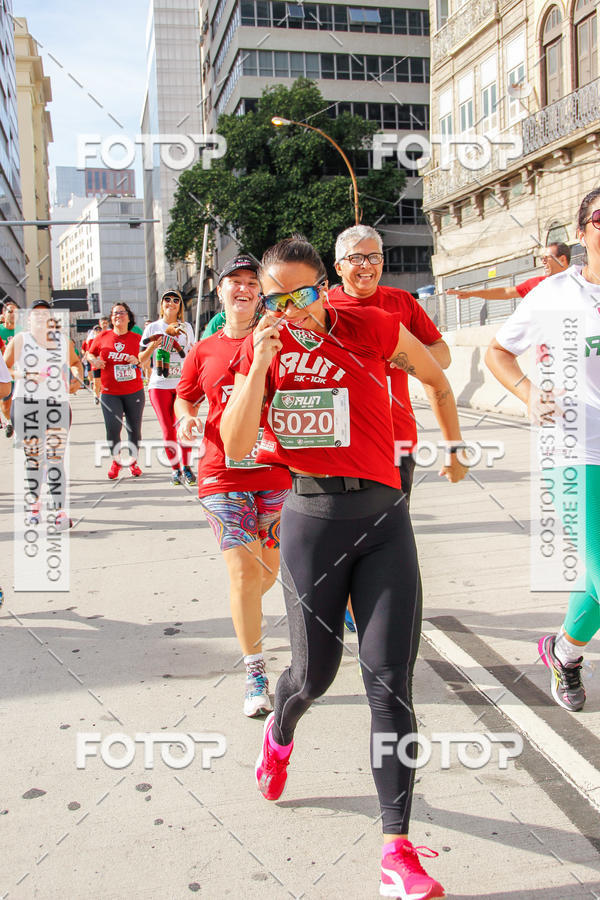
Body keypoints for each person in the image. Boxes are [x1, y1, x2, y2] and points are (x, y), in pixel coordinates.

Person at [221, 236, 467, 899]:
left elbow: (436, 374)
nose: (290, 310)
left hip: (387, 521)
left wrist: (454, 444)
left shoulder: (371, 326)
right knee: (313, 677)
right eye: (275, 299)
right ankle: (280, 727)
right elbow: (237, 443)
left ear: (322, 288)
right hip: (312, 524)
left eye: (302, 296)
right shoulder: (263, 348)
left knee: (391, 683)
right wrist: (258, 364)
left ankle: (397, 849)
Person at [485, 190, 600, 713]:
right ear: (581, 232)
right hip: (577, 452)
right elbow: (498, 351)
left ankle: (564, 652)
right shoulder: (554, 293)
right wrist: (530, 393)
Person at [175, 256, 291, 717]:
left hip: (274, 473)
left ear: (260, 292)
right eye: (234, 282)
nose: (243, 289)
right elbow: (185, 397)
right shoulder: (203, 350)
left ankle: (244, 613)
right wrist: (186, 421)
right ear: (219, 291)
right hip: (221, 474)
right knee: (244, 575)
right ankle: (255, 671)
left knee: (266, 572)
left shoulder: (280, 338)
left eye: (251, 283)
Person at [330, 224, 451, 504]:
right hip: (340, 440)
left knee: (393, 527)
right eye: (356, 258)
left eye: (374, 257)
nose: (367, 266)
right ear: (338, 267)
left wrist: (409, 357)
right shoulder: (324, 307)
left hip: (397, 437)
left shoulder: (402, 302)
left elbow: (443, 355)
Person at [4, 300, 82, 529]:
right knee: (35, 458)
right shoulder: (20, 340)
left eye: (44, 314)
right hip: (26, 404)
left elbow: (76, 363)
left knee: (56, 459)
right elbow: (5, 368)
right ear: (28, 319)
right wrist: (25, 373)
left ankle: (59, 511)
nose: (40, 318)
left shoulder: (62, 342)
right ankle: (34, 506)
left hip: (57, 404)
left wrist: (76, 377)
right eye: (35, 314)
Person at [140, 291, 196, 486]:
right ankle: (175, 470)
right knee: (168, 430)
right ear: (161, 304)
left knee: (184, 426)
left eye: (175, 300)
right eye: (167, 300)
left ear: (180, 305)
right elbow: (141, 359)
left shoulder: (187, 327)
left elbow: (191, 353)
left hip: (181, 384)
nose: (171, 303)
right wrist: (155, 345)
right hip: (159, 384)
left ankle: (187, 467)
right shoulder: (152, 328)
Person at [87, 302, 145, 480]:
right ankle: (117, 461)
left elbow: (146, 359)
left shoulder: (137, 338)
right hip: (110, 392)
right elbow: (89, 354)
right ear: (111, 319)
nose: (117, 316)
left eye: (121, 312)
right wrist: (94, 361)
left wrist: (137, 359)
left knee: (134, 429)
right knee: (112, 428)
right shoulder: (103, 336)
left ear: (129, 316)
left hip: (134, 390)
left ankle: (133, 461)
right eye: (114, 313)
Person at [447, 242, 571, 301]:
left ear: (562, 259)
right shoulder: (536, 284)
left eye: (546, 258)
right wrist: (471, 293)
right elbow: (505, 292)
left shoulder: (582, 280)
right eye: (541, 259)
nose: (543, 262)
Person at [0, 300, 19, 436]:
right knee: (6, 406)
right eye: (10, 311)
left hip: (20, 374)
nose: (13, 315)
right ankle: (9, 422)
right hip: (5, 373)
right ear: (3, 313)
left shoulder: (22, 330)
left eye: (16, 312)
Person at [90, 316, 111, 405]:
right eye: (103, 323)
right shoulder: (92, 339)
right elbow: (88, 352)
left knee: (108, 382)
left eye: (106, 323)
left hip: (107, 363)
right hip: (96, 363)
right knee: (97, 382)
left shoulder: (110, 334)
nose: (104, 325)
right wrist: (93, 360)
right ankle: (96, 395)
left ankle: (107, 398)